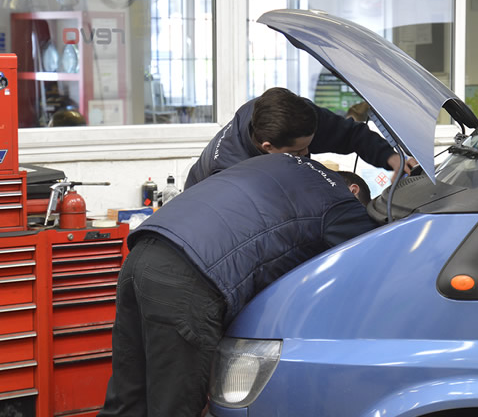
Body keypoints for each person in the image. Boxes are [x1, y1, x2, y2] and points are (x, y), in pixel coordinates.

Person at [99, 154, 378, 416]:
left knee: (127, 398)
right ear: (353, 191)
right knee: (174, 405)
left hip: (143, 253)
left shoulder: (285, 164)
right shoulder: (340, 204)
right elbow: (373, 258)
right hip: (187, 279)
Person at [185, 88, 416, 189]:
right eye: (296, 153)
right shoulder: (230, 170)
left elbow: (352, 134)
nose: (305, 155)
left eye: (308, 147)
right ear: (268, 147)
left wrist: (391, 157)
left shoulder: (297, 116)